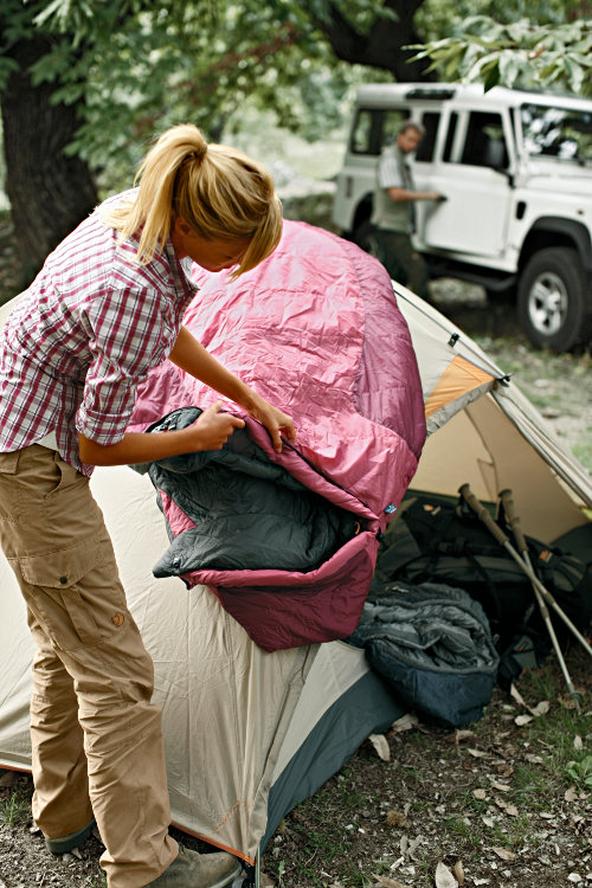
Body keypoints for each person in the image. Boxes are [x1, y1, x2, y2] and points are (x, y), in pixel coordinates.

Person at [0, 124, 295, 888]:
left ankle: (63, 812)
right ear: (192, 222)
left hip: (15, 428)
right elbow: (98, 445)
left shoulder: (134, 211)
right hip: (31, 461)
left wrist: (246, 395)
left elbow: (164, 329)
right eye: (233, 252)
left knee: (62, 633)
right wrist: (196, 436)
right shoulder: (130, 284)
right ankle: (143, 867)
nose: (236, 269)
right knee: (117, 669)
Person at [371, 120, 445, 302]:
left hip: (398, 226)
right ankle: (428, 316)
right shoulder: (390, 160)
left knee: (394, 276)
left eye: (416, 142)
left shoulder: (401, 161)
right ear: (400, 136)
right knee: (417, 269)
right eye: (410, 140)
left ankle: (387, 313)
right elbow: (395, 194)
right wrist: (429, 196)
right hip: (389, 226)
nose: (413, 145)